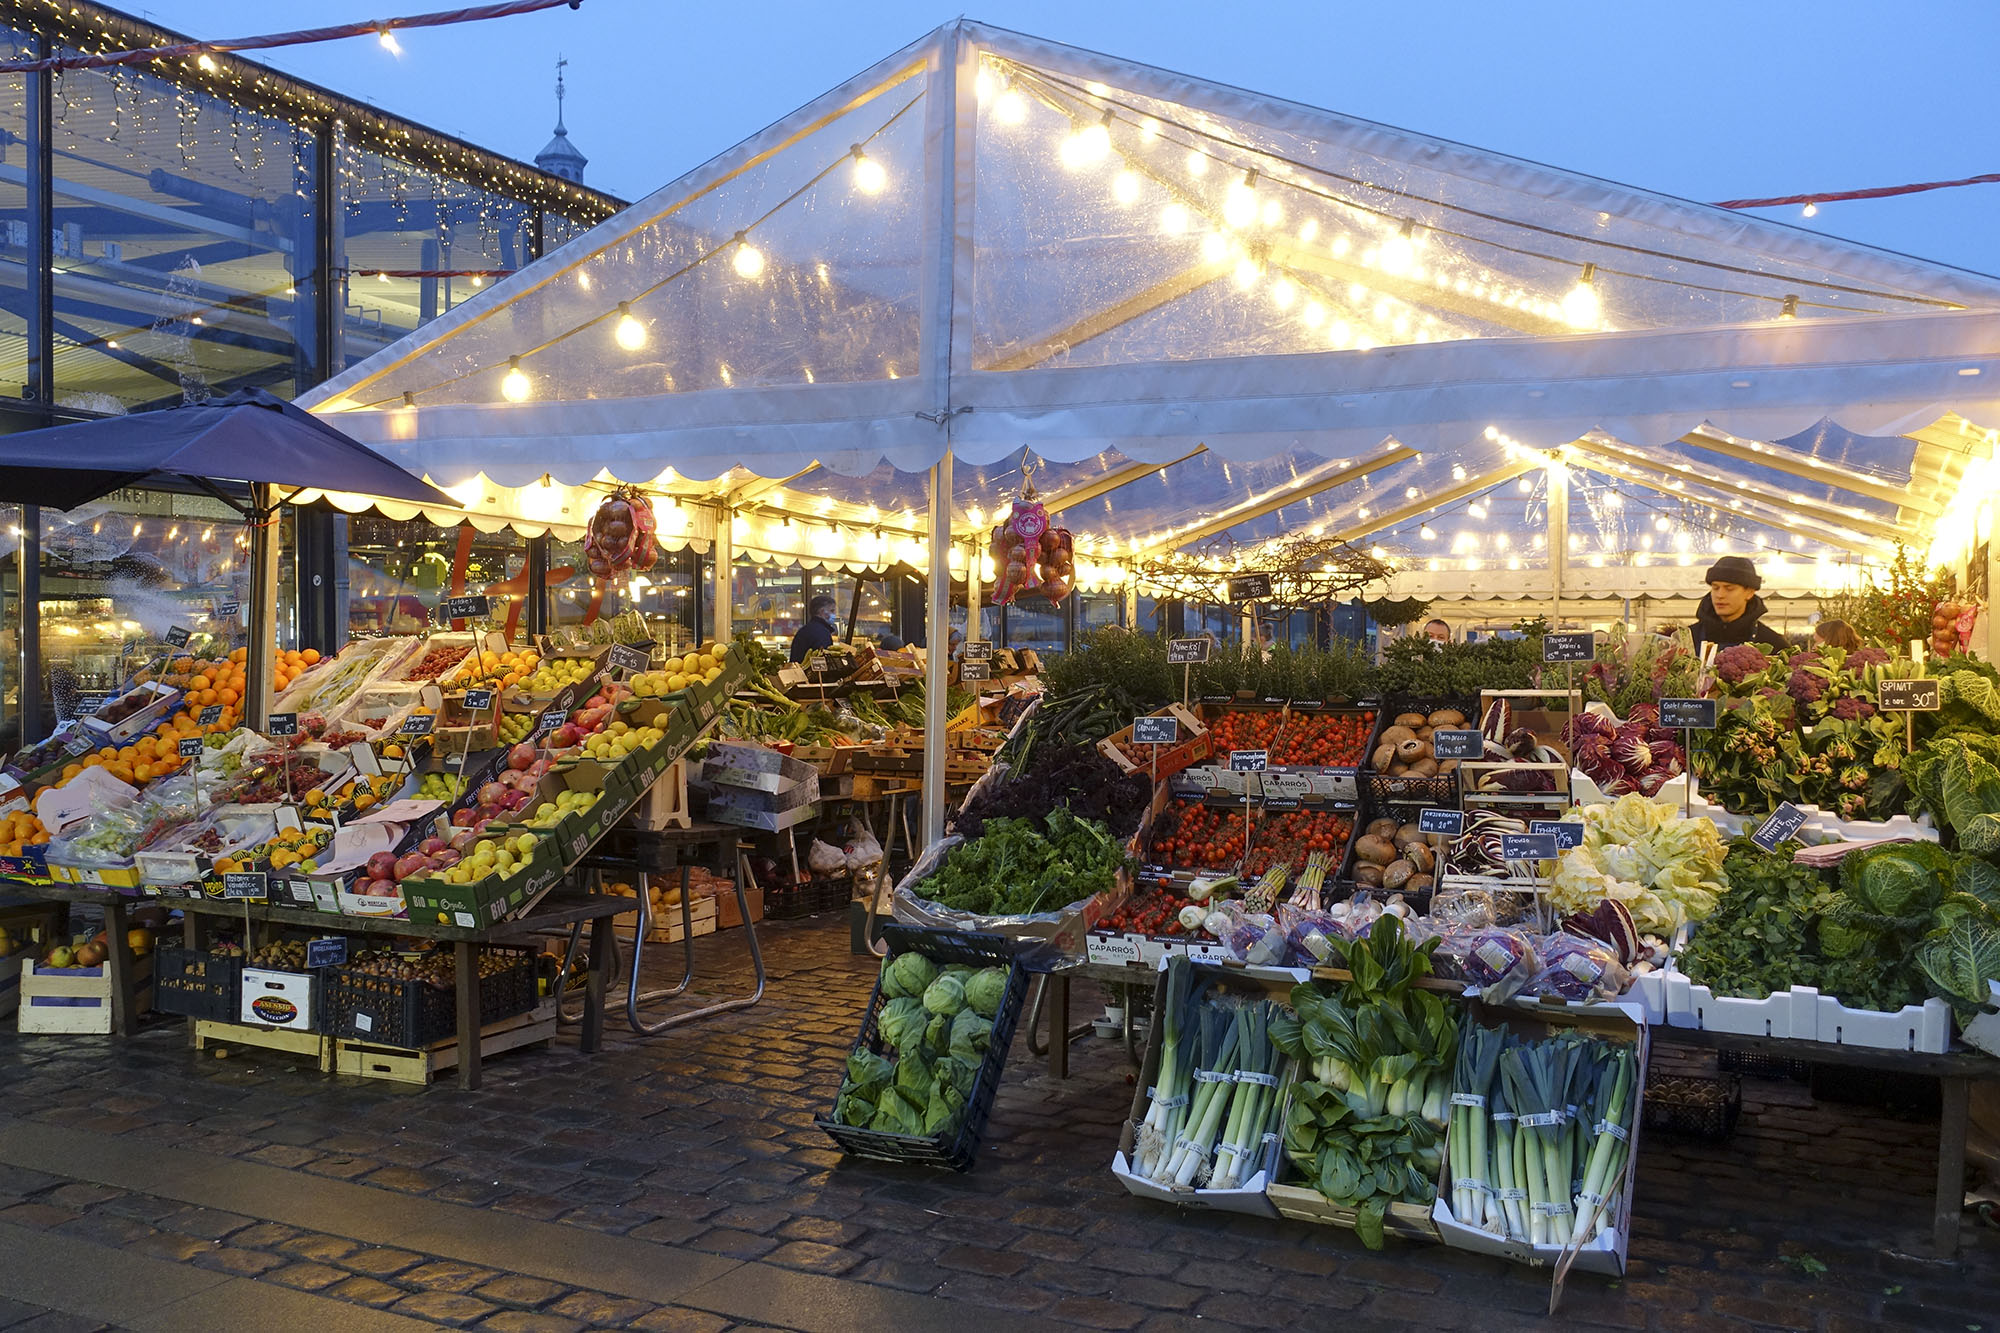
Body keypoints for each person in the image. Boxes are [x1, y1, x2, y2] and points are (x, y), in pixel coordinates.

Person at [1690, 556, 1789, 655]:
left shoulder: (1773, 644)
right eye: (1715, 588)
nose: (1720, 595)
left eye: (1729, 588)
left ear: (1750, 592)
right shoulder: (1688, 637)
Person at [789, 593, 837, 662]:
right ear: (822, 611)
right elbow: (824, 660)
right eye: (832, 611)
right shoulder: (822, 633)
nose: (834, 614)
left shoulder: (803, 630)